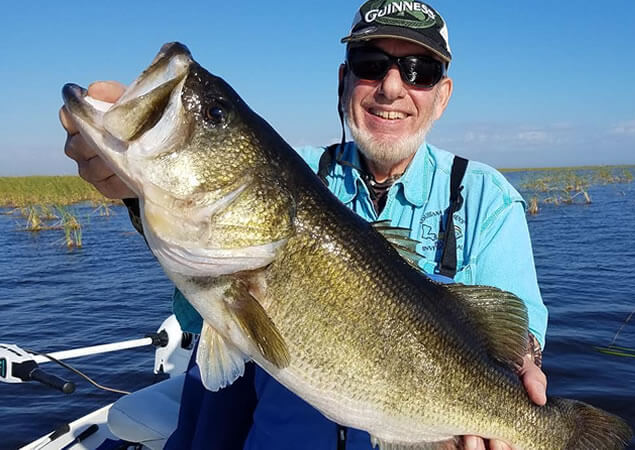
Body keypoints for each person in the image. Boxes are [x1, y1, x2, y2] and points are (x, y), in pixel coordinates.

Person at [59, 1, 548, 449]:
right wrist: (135, 197)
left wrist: (523, 375)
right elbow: (197, 320)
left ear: (441, 97)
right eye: (371, 65)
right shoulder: (296, 169)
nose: (392, 87)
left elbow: (514, 338)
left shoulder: (486, 198)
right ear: (343, 80)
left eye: (420, 71)